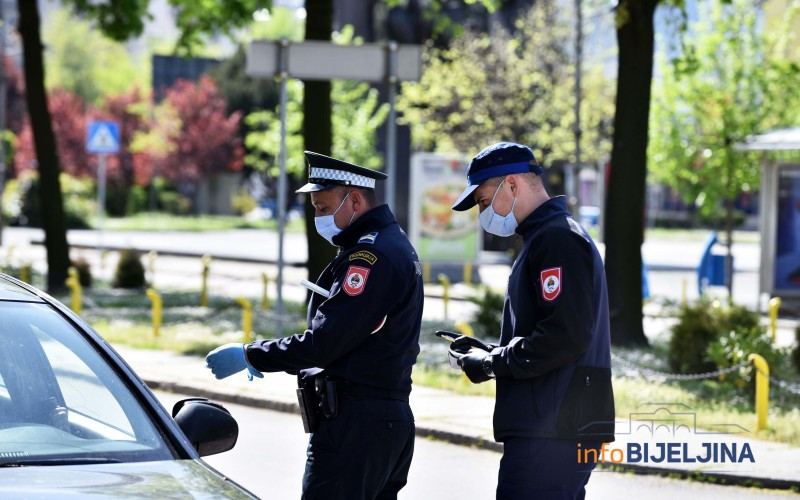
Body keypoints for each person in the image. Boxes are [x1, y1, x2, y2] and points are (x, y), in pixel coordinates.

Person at [205, 151, 424, 500]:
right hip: (380, 418)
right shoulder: (390, 243)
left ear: (354, 199)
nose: (318, 218)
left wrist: (251, 354)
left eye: (323, 208)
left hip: (357, 424)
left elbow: (325, 341)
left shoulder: (370, 257)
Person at [448, 142, 615, 499]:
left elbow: (564, 336)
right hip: (555, 421)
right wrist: (491, 351)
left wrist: (493, 363)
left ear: (511, 185)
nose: (482, 213)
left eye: (482, 201)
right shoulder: (550, 236)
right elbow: (554, 330)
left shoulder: (557, 239)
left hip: (553, 426)